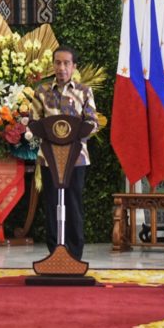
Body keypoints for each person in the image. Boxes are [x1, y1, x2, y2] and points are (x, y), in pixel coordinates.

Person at [33, 46, 98, 260]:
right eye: (58, 63)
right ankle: (54, 255)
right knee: (51, 205)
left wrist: (74, 140)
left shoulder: (84, 91)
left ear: (74, 67)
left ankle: (75, 255)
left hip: (76, 159)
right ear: (53, 65)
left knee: (73, 205)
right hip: (49, 159)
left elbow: (92, 123)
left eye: (66, 63)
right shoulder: (41, 92)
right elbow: (34, 123)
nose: (61, 68)